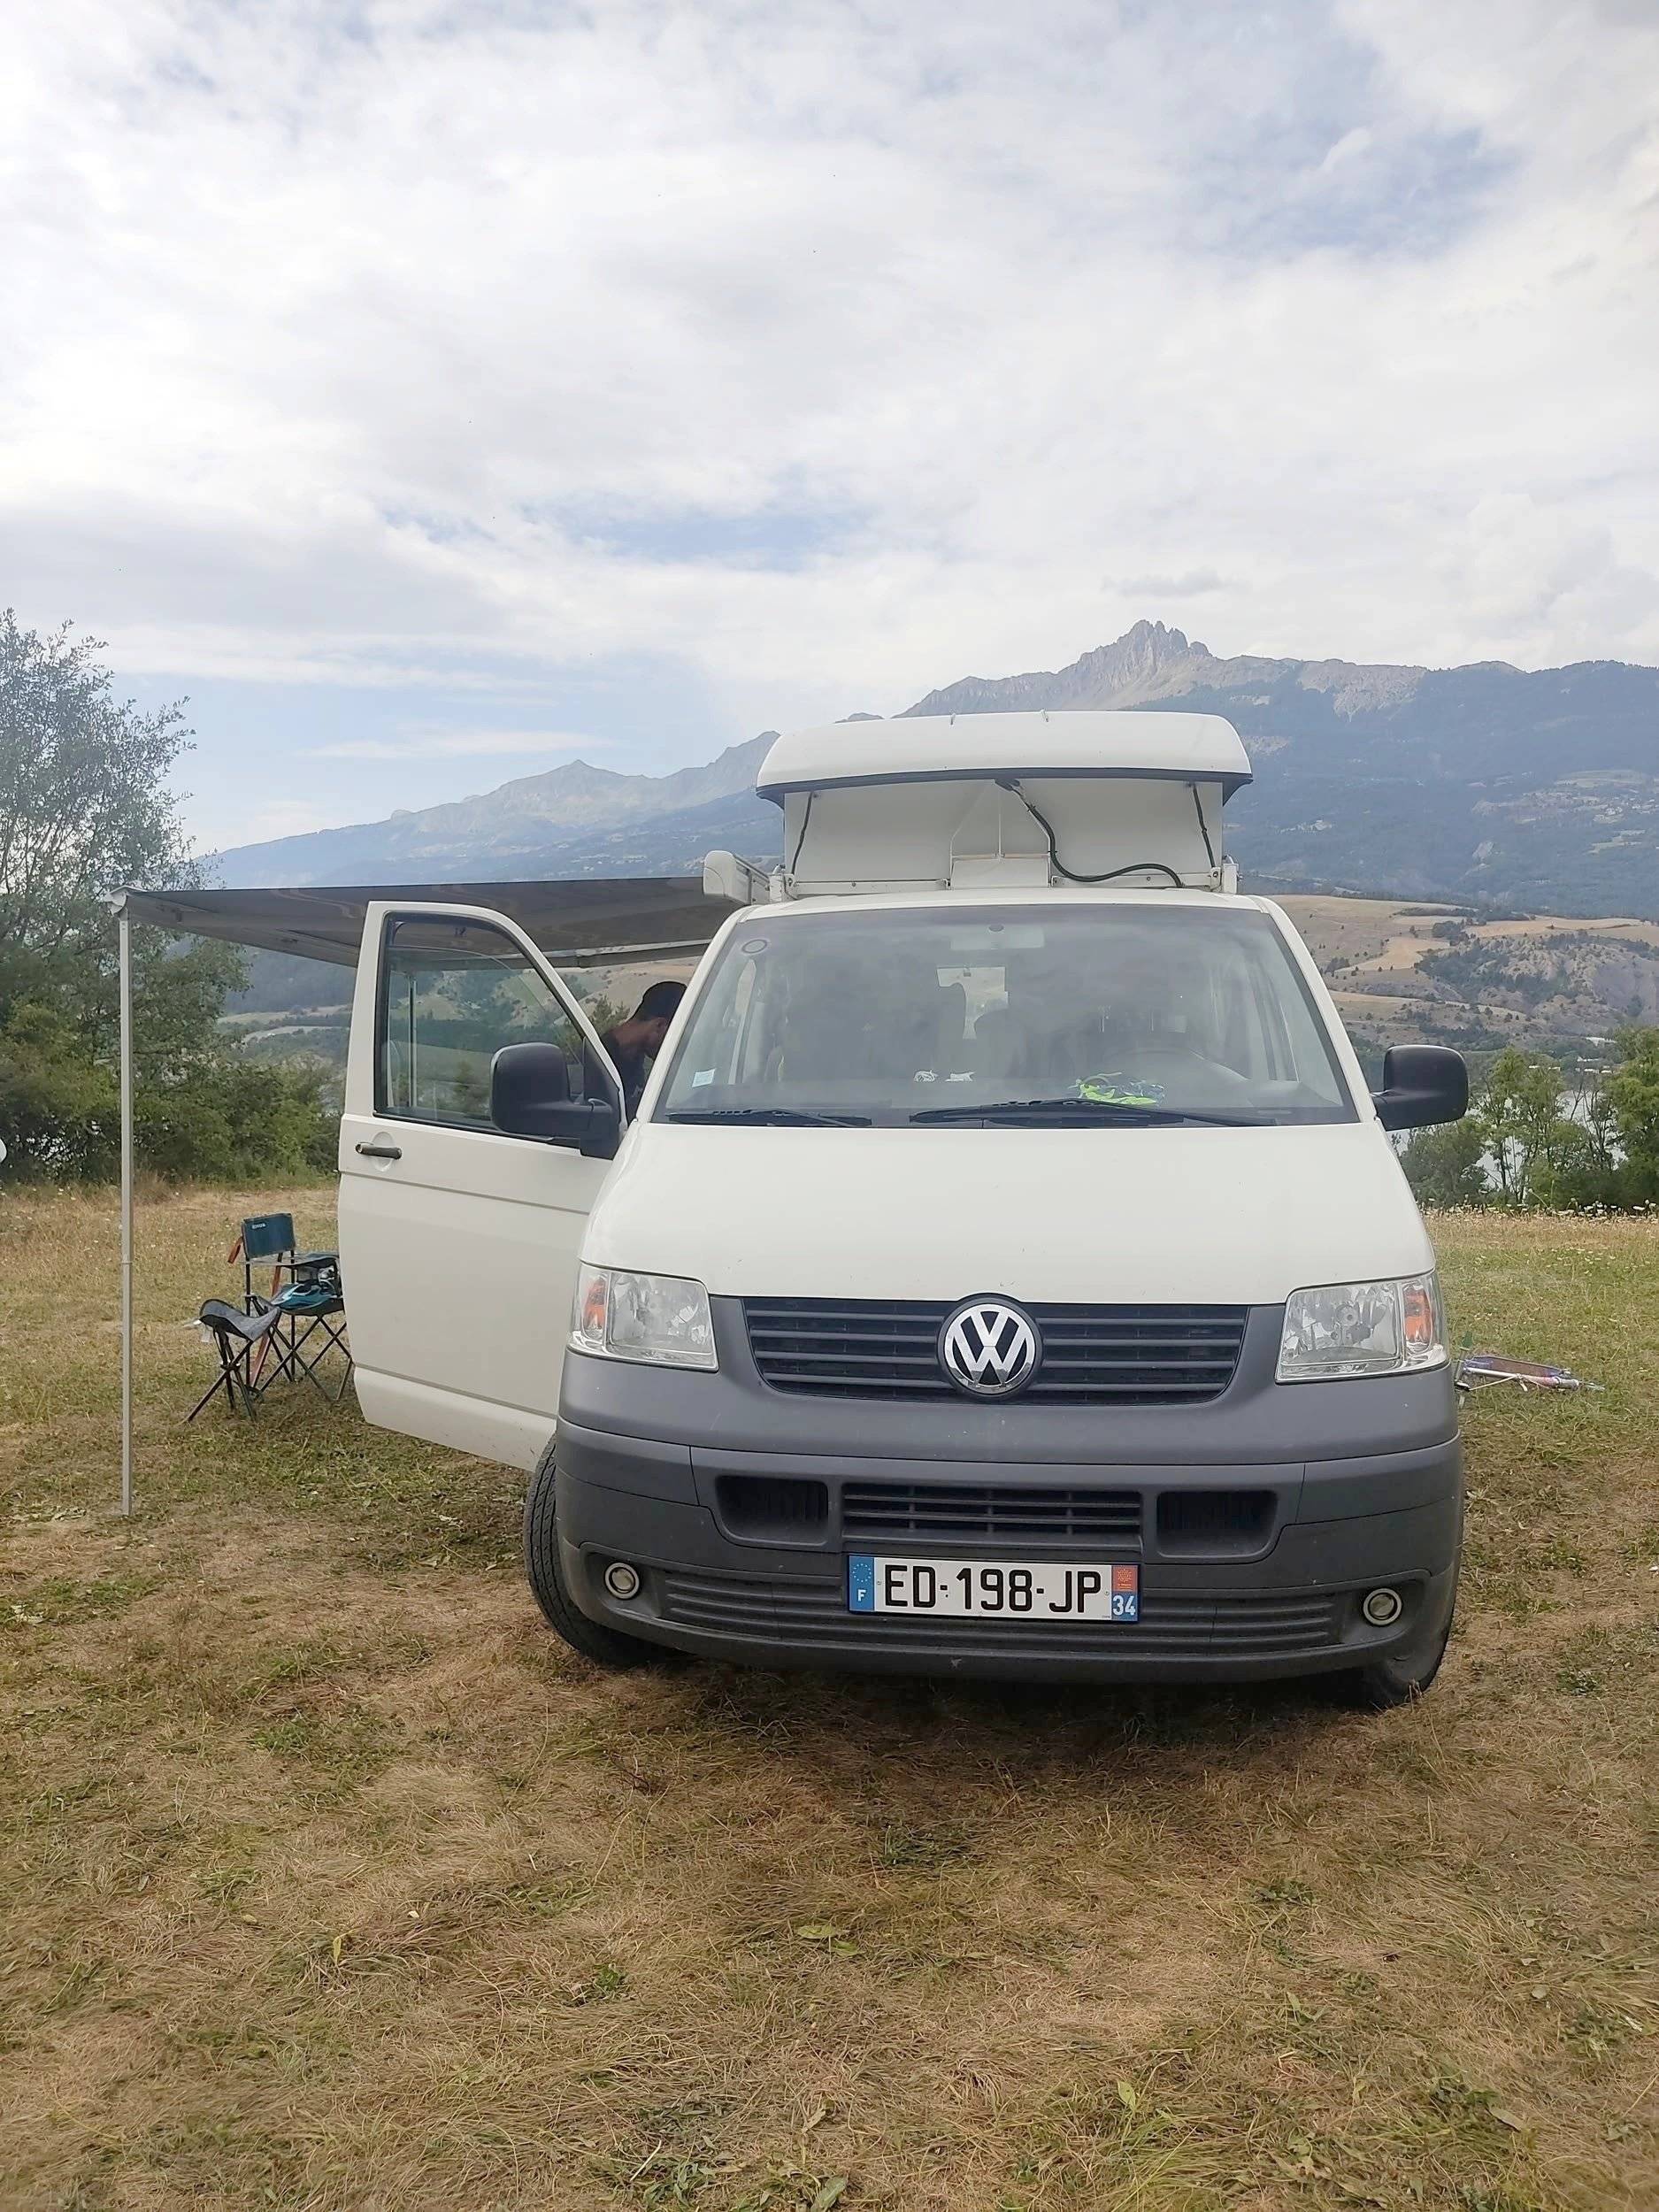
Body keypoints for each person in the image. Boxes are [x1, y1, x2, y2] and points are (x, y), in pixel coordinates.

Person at [599, 979, 686, 1112]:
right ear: (659, 1026)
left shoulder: (635, 1059)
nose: (676, 1045)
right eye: (676, 1035)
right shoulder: (598, 1060)